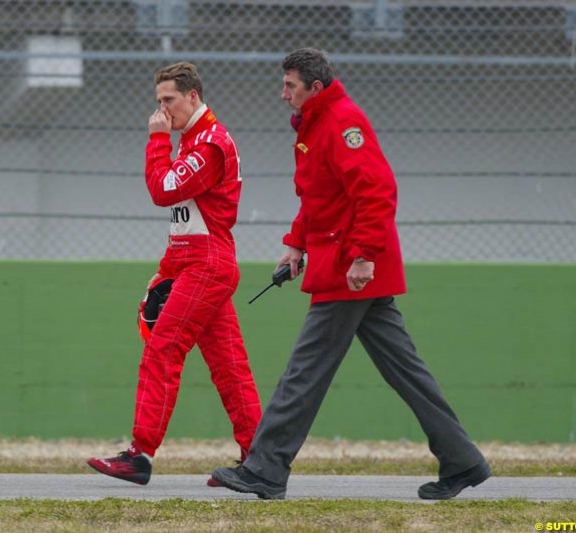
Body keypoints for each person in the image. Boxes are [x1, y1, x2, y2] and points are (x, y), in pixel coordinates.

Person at [211, 48, 491, 500]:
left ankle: (265, 467)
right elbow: (318, 197)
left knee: (304, 371)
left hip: (351, 270)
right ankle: (464, 461)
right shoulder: (316, 125)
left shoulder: (343, 122)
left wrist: (363, 256)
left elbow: (377, 192)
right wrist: (295, 243)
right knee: (406, 371)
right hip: (347, 266)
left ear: (314, 88)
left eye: (290, 86)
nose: (282, 95)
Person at [88, 62, 262, 486]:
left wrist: (156, 139)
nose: (161, 111)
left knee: (162, 351)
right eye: (158, 102)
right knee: (229, 366)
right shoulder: (194, 140)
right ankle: (262, 460)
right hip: (196, 262)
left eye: (168, 101)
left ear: (193, 96)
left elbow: (162, 190)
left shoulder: (209, 143)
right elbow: (185, 222)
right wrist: (162, 274)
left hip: (208, 264)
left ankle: (140, 455)